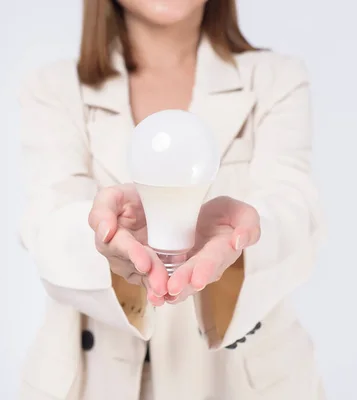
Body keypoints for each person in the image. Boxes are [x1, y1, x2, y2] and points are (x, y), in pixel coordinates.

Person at [18, 0, 325, 399]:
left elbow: (296, 211)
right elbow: (47, 223)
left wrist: (242, 236)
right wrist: (103, 236)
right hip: (93, 378)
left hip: (242, 380)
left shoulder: (275, 79)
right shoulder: (55, 88)